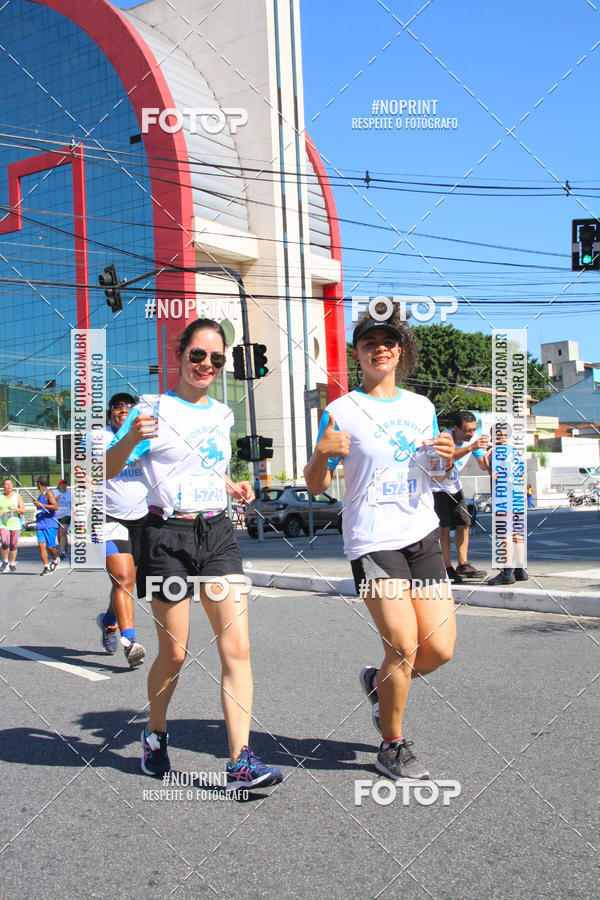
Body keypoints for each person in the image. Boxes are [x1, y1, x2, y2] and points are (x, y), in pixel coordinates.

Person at [106, 318, 283, 792]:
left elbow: (205, 465)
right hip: (166, 538)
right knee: (176, 652)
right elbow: (105, 467)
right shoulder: (151, 407)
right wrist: (127, 438)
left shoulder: (223, 415)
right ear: (178, 353)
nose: (206, 364)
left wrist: (232, 486)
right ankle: (155, 734)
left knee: (237, 648)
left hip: (218, 534)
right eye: (198, 355)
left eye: (217, 359)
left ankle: (239, 762)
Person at [304, 306, 456, 781]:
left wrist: (448, 459)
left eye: (388, 342)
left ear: (400, 350)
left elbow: (436, 474)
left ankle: (377, 682)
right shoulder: (342, 411)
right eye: (370, 342)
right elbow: (314, 485)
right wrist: (319, 455)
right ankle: (392, 745)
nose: (380, 349)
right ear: (358, 354)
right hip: (372, 541)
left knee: (439, 649)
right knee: (404, 645)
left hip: (422, 534)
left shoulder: (421, 407)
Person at [95, 393, 148, 669]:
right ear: (110, 412)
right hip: (107, 517)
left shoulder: (146, 436)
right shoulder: (99, 439)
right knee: (123, 578)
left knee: (128, 582)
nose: (124, 411)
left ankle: (109, 620)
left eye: (129, 408)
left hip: (141, 519)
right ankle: (131, 642)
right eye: (118, 407)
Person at [432, 410, 489, 584]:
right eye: (467, 430)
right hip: (438, 487)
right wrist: (471, 447)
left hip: (455, 488)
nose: (471, 434)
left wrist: (493, 455)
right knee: (444, 527)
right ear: (456, 428)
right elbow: (449, 456)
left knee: (464, 523)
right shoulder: (444, 438)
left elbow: (482, 465)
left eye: (473, 430)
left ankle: (463, 564)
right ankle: (446, 566)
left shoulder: (472, 440)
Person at [483, 425, 527, 585]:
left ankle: (507, 572)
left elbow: (492, 472)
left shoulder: (496, 452)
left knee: (505, 535)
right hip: (517, 496)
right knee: (517, 535)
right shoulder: (515, 452)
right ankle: (520, 570)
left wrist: (486, 455)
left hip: (503, 497)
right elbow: (521, 472)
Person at [34, 476, 59, 575]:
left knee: (50, 547)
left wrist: (42, 505)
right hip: (41, 524)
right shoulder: (40, 496)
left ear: (39, 484)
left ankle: (55, 559)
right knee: (41, 546)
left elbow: (55, 506)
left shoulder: (48, 493)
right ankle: (46, 566)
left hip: (50, 524)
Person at [0, 478, 26, 573]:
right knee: (5, 542)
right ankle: (5, 561)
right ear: (3, 486)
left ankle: (12, 563)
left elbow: (23, 510)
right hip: (3, 524)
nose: (9, 486)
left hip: (15, 524)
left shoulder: (17, 496)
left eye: (10, 484)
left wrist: (15, 508)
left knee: (13, 545)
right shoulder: (0, 497)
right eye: (6, 484)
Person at [56, 479, 72, 559]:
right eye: (62, 484)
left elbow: (73, 504)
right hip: (57, 515)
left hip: (66, 515)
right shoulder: (55, 493)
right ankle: (64, 546)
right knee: (59, 534)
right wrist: (56, 500)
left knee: (63, 531)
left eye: (65, 484)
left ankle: (62, 551)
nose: (64, 486)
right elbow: (51, 502)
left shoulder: (69, 494)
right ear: (59, 485)